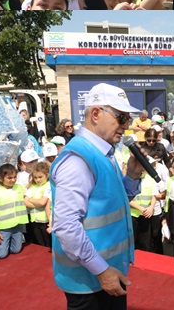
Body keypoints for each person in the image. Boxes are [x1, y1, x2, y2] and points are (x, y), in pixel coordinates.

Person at [51, 83, 140, 309]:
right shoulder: (78, 160)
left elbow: (114, 200)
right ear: (96, 113)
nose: (126, 125)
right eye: (121, 117)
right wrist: (102, 270)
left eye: (128, 119)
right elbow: (67, 226)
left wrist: (132, 175)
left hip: (106, 273)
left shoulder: (104, 151)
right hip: (91, 282)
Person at [0, 163, 26, 259]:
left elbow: (28, 198)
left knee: (16, 250)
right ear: (0, 178)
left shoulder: (20, 187)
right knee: (1, 254)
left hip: (18, 225)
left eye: (14, 177)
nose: (13, 180)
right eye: (9, 178)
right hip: (3, 227)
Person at [24, 161, 52, 248]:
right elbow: (25, 202)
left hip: (45, 221)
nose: (38, 180)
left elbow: (42, 202)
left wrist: (31, 199)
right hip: (35, 220)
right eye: (35, 177)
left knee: (48, 244)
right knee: (39, 244)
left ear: (47, 174)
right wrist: (38, 202)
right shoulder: (33, 186)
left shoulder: (49, 185)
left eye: (40, 177)